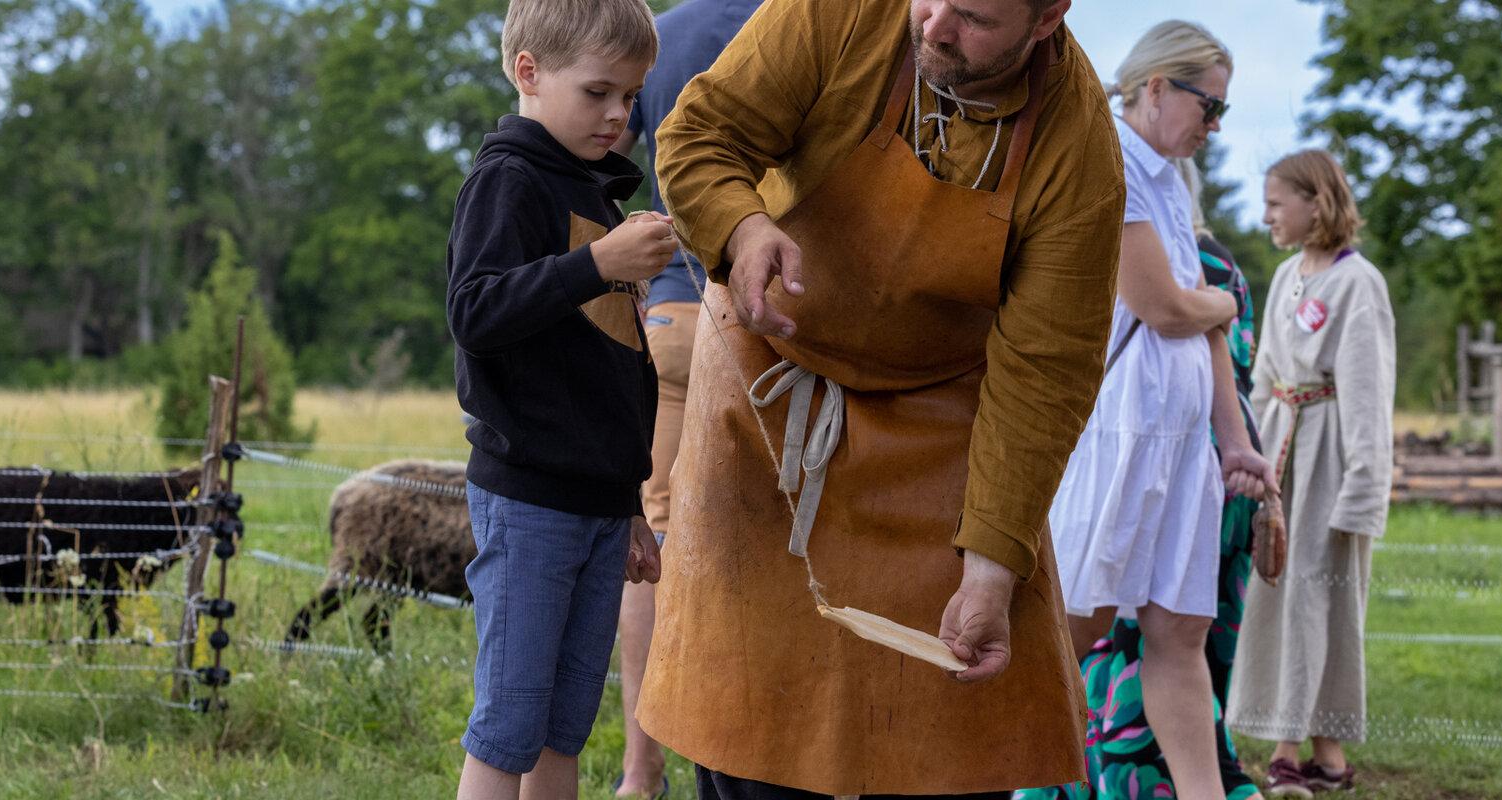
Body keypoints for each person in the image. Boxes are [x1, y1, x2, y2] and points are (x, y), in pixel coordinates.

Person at [639, 0, 1129, 795]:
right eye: (929, 0)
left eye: (972, 18)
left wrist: (994, 568)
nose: (935, 27)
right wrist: (740, 227)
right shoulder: (835, 12)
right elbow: (700, 135)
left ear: (1047, 21)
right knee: (749, 722)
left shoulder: (1079, 144)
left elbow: (1046, 368)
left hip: (944, 438)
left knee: (955, 746)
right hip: (769, 400)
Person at [443, 0, 668, 795]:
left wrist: (630, 503)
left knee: (564, 729)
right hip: (530, 500)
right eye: (599, 92)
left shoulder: (594, 193)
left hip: (598, 508)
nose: (618, 115)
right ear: (528, 72)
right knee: (509, 726)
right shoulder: (509, 181)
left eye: (632, 97)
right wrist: (598, 263)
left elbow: (614, 375)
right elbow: (475, 313)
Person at [1046, 21, 1275, 800]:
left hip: (1179, 440)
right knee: (1070, 632)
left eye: (1222, 113)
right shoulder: (1108, 156)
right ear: (1154, 88)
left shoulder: (1167, 176)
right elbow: (1166, 306)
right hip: (1120, 433)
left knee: (1180, 632)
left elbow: (1199, 327)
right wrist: (1217, 301)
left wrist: (1234, 441)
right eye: (1207, 108)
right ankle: (985, 782)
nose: (1213, 128)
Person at [608, 1, 762, 796]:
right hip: (763, 316)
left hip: (667, 310)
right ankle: (748, 754)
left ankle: (642, 772)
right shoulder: (799, 27)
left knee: (654, 553)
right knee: (758, 544)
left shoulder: (662, 33)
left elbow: (608, 149)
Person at [1226, 149, 1393, 799]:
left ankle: (1287, 748)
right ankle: (1327, 754)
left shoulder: (1358, 284)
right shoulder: (1289, 277)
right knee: (1278, 593)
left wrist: (1362, 487)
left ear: (1316, 204)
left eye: (1276, 203)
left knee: (1317, 599)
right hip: (1284, 454)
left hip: (1331, 456)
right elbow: (1267, 377)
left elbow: (1368, 393)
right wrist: (1257, 461)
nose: (1267, 215)